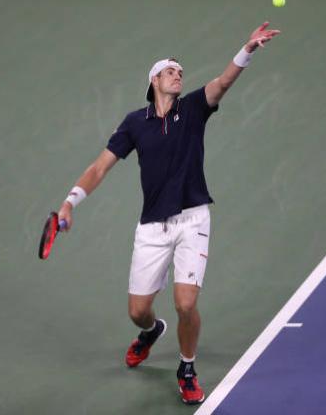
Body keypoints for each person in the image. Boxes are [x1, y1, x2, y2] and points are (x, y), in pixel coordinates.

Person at [58, 22, 280, 405]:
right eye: (170, 71)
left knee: (185, 303)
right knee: (138, 311)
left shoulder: (193, 108)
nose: (178, 75)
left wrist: (248, 50)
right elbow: (99, 168)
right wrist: (69, 202)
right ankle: (150, 332)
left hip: (193, 219)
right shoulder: (133, 124)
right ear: (154, 81)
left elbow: (223, 83)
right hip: (152, 228)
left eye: (180, 71)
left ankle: (187, 367)